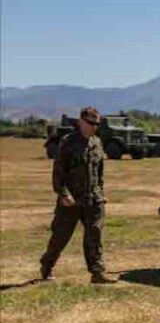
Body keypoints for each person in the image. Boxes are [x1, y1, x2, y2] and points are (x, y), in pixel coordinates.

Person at [39, 107, 116, 284]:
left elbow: (99, 172)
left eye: (96, 124)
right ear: (81, 121)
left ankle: (97, 272)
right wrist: (63, 194)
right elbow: (58, 172)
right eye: (90, 123)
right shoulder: (68, 142)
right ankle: (47, 265)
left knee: (94, 234)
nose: (94, 127)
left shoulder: (96, 142)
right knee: (60, 236)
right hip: (72, 200)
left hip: (93, 199)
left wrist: (101, 193)